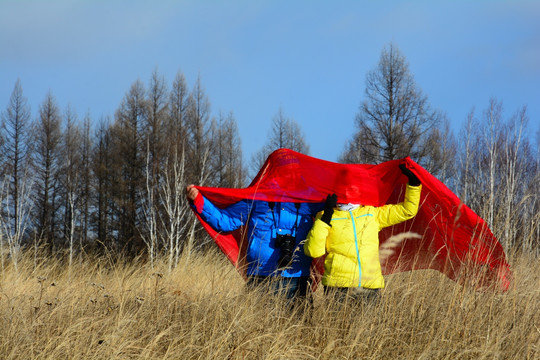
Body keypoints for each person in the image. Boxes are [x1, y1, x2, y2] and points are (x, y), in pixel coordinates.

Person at [186, 185, 323, 308]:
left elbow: (336, 215)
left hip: (297, 280)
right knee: (257, 330)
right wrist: (199, 200)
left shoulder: (310, 200)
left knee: (298, 332)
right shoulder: (257, 197)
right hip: (260, 280)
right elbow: (224, 221)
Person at [303, 164, 422, 305]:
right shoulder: (326, 215)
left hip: (369, 287)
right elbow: (313, 251)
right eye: (343, 186)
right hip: (338, 288)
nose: (348, 191)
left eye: (352, 186)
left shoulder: (371, 213)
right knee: (337, 327)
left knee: (371, 327)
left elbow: (407, 210)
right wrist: (326, 217)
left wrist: (414, 185)